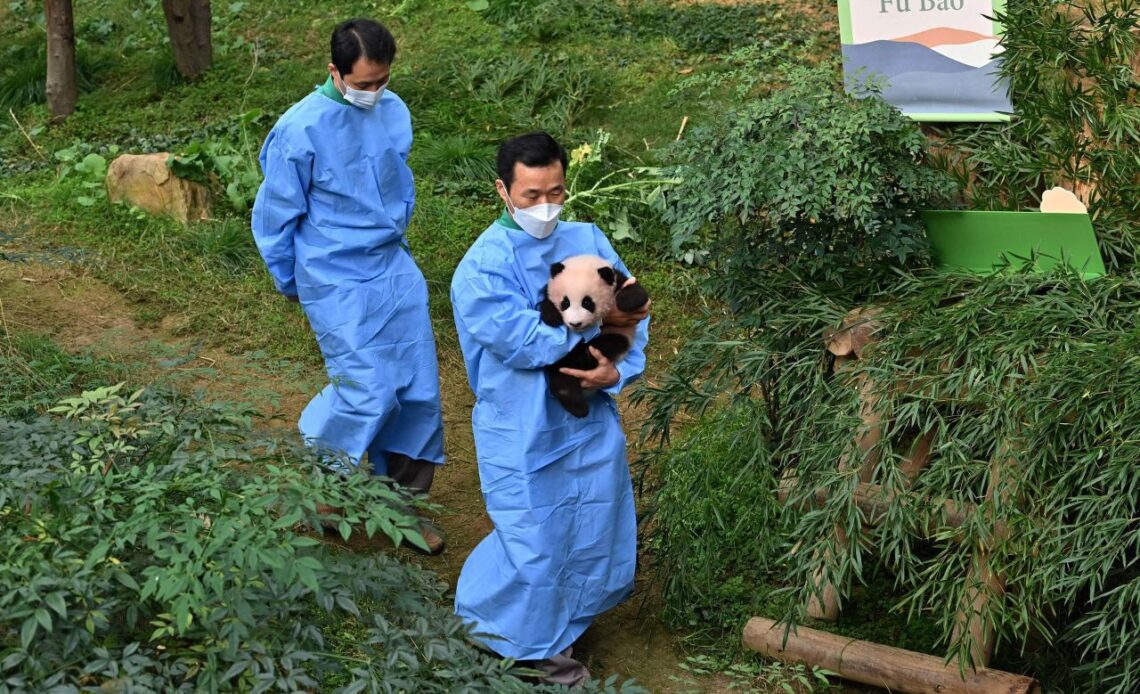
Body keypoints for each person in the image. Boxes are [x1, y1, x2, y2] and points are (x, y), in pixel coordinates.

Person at [450, 132, 650, 685]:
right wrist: (597, 319)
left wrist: (617, 368)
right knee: (533, 533)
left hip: (588, 415)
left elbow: (631, 311)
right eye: (532, 194)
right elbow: (521, 341)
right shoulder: (482, 268)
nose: (546, 207)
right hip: (522, 423)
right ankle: (520, 643)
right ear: (503, 190)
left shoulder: (585, 237)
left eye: (555, 192)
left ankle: (561, 621)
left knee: (592, 518)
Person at [250, 18, 445, 553]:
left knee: (418, 392)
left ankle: (406, 509)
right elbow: (274, 218)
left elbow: (395, 184)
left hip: (392, 266)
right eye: (363, 83)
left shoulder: (393, 110)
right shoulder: (300, 129)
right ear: (334, 72)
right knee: (366, 388)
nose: (374, 92)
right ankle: (322, 491)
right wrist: (292, 281)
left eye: (382, 80)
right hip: (332, 273)